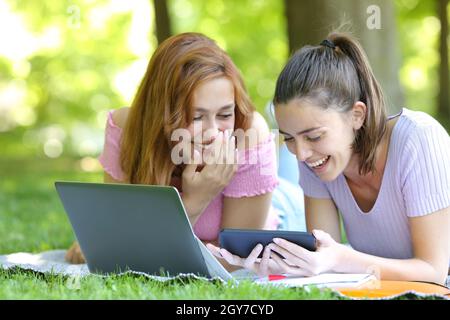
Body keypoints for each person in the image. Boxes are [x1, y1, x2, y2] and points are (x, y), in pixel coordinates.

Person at [208, 32, 450, 285]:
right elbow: (324, 259)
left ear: (357, 115)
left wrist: (342, 259)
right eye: (289, 138)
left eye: (313, 136)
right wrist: (282, 264)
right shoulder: (319, 160)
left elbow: (434, 270)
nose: (300, 153)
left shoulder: (418, 139)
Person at [65, 32, 281, 268]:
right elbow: (121, 238)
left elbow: (236, 259)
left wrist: (198, 200)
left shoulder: (249, 132)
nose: (211, 133)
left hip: (277, 209)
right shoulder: (128, 128)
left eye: (224, 114)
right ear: (162, 113)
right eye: (196, 116)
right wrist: (194, 201)